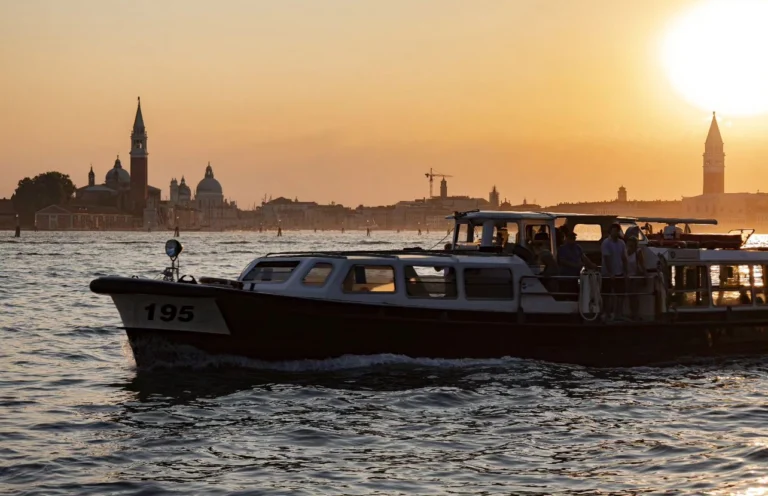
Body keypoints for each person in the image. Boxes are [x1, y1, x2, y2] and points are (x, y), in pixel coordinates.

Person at [557, 230, 597, 298]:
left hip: (576, 277)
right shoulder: (562, 249)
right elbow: (562, 261)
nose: (573, 239)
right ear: (566, 238)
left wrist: (592, 265)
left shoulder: (578, 247)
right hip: (565, 278)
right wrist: (575, 265)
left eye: (574, 238)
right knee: (565, 296)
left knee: (575, 295)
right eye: (571, 238)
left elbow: (584, 257)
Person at [601, 223, 629, 320]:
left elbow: (624, 258)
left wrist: (626, 272)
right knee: (607, 295)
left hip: (619, 273)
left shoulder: (622, 243)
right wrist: (610, 273)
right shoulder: (606, 243)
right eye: (613, 230)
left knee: (620, 295)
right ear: (610, 231)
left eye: (617, 230)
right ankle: (607, 313)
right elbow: (606, 258)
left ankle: (619, 314)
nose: (615, 232)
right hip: (607, 274)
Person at [626, 236, 646, 319]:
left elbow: (642, 265)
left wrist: (644, 276)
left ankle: (635, 313)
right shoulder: (625, 252)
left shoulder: (638, 252)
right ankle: (631, 313)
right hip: (628, 276)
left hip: (636, 276)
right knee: (630, 296)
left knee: (634, 295)